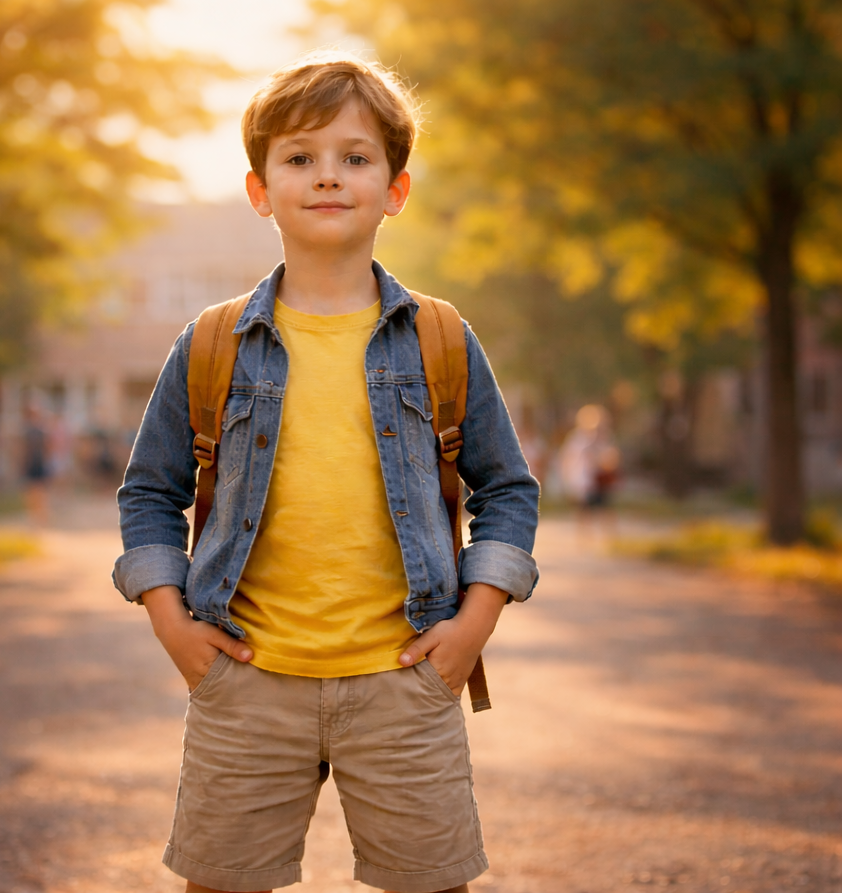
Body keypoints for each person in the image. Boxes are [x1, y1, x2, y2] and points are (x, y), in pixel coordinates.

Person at [113, 53, 540, 893]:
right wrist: (171, 622)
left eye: (355, 157)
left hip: (405, 680)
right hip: (247, 681)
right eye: (300, 158)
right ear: (259, 189)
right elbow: (149, 492)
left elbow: (508, 489)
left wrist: (474, 624)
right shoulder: (214, 342)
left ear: (395, 188)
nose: (328, 177)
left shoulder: (440, 339)